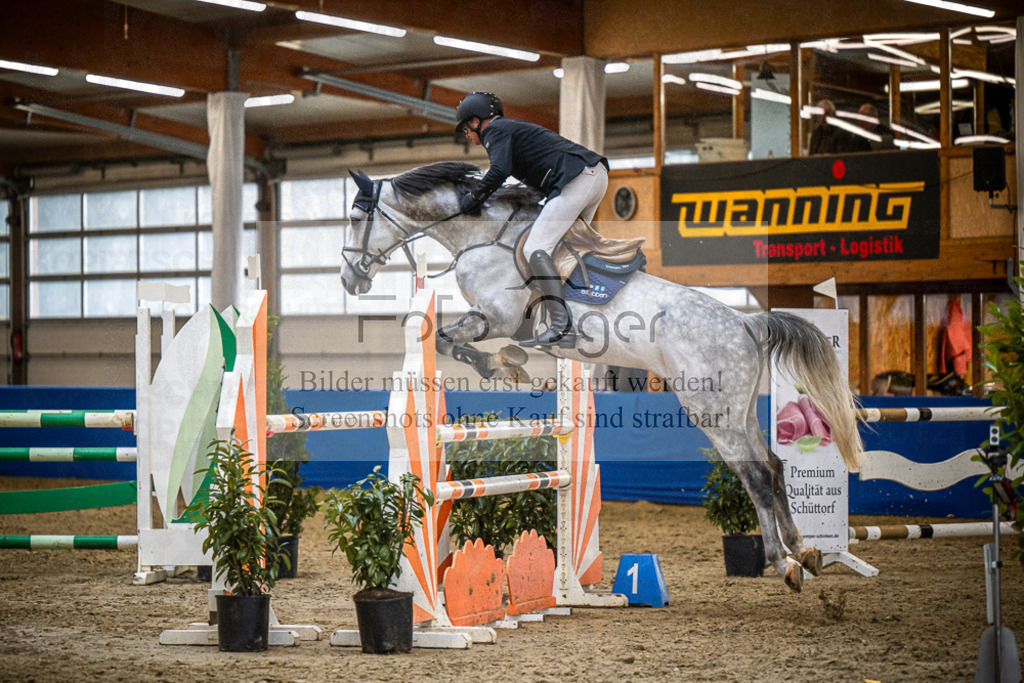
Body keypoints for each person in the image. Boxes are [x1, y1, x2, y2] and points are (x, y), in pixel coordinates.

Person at [455, 91, 609, 349]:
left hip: (578, 178)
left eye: (465, 130)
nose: (468, 137)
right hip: (593, 176)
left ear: (475, 121)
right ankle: (552, 318)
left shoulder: (496, 130)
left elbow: (499, 171)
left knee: (535, 248)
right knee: (563, 251)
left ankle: (562, 327)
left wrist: (474, 197)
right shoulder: (510, 132)